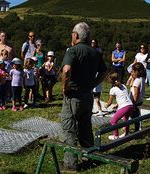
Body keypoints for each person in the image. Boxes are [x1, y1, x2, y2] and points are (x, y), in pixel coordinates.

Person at [59, 22, 107, 172]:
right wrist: (93, 84)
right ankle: (89, 160)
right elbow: (104, 72)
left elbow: (66, 70)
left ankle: (70, 164)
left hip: (74, 96)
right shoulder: (95, 52)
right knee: (86, 128)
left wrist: (64, 87)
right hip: (88, 95)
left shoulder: (73, 50)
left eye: (72, 32)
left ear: (77, 35)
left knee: (69, 129)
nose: (72, 35)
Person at [104, 72, 133, 140]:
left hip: (124, 107)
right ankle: (126, 133)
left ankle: (116, 136)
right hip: (130, 105)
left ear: (109, 81)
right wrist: (117, 104)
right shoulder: (123, 86)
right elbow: (124, 96)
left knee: (113, 121)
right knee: (126, 119)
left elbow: (110, 102)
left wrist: (106, 105)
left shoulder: (112, 90)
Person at [126, 62, 146, 132]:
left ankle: (136, 130)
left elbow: (136, 94)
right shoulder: (142, 78)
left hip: (135, 101)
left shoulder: (137, 81)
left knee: (135, 117)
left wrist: (133, 103)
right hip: (140, 100)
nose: (132, 73)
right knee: (136, 115)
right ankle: (137, 129)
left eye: (133, 71)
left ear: (136, 71)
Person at [91, 39, 105, 116]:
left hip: (96, 72)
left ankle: (100, 110)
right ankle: (90, 109)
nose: (93, 44)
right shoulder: (89, 49)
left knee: (97, 98)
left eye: (94, 43)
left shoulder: (98, 50)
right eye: (92, 42)